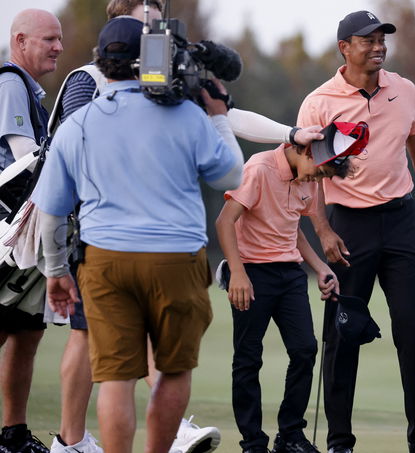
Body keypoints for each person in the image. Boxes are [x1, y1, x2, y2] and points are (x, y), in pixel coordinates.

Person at [31, 16, 243, 453]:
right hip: (176, 259)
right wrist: (219, 116)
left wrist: (56, 272)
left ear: (101, 65)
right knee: (172, 370)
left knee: (115, 377)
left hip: (105, 261)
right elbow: (231, 175)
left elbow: (50, 215)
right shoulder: (187, 114)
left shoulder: (80, 123)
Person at [297, 11, 415, 453]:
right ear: (344, 48)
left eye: (382, 38)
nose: (378, 46)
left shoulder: (404, 91)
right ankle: (340, 442)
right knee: (343, 333)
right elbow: (306, 175)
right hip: (348, 226)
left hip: (403, 220)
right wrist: (323, 230)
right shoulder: (320, 101)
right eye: (367, 40)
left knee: (412, 329)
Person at [215, 139, 359, 453]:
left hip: (290, 274)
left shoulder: (308, 175)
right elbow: (225, 221)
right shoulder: (259, 168)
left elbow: (291, 228)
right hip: (252, 273)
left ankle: (290, 436)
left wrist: (321, 267)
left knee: (305, 350)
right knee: (248, 358)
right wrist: (237, 273)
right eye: (319, 172)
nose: (317, 180)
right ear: (307, 151)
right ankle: (253, 442)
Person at [0, 9, 63, 453]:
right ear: (20, 40)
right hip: (7, 237)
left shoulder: (31, 92)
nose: (58, 47)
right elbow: (24, 158)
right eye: (49, 39)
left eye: (59, 39)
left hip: (27, 238)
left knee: (26, 334)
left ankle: (13, 435)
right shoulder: (9, 82)